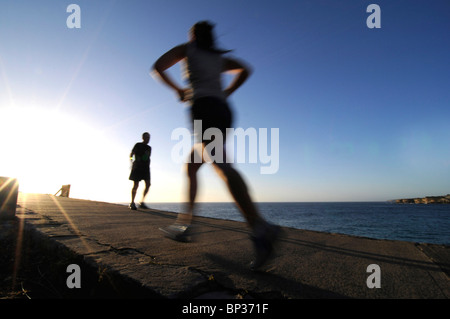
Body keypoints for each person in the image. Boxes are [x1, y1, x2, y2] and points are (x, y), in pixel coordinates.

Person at [152, 21, 280, 270]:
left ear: (193, 36)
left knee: (221, 165)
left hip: (204, 109)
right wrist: (228, 90)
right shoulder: (218, 58)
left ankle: (261, 228)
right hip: (221, 109)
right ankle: (186, 224)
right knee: (191, 165)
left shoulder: (187, 49)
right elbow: (245, 69)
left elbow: (158, 67)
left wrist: (178, 90)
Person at [129, 132, 152, 210]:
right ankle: (132, 202)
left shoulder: (149, 148)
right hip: (137, 167)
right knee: (136, 185)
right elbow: (131, 155)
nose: (148, 139)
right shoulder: (138, 145)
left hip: (145, 168)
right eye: (146, 137)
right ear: (143, 138)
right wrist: (132, 162)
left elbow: (147, 157)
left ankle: (142, 202)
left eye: (149, 137)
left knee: (148, 184)